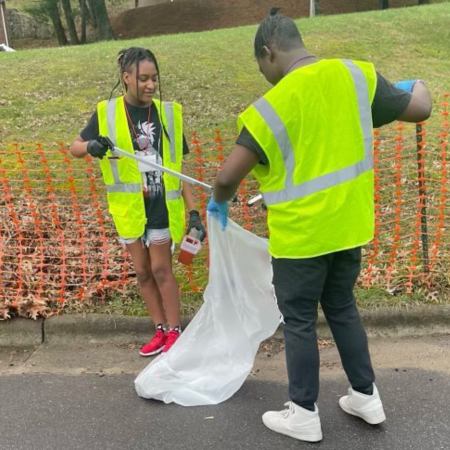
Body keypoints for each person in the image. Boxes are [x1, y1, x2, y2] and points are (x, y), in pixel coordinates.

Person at [207, 9, 432, 443]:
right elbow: (420, 108)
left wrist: (219, 203)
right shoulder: (356, 77)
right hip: (348, 229)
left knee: (299, 322)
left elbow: (225, 176)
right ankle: (366, 397)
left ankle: (304, 412)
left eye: (261, 66)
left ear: (268, 52)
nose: (264, 75)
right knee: (343, 308)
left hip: (301, 240)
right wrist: (413, 84)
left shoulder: (271, 107)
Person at [71, 47, 206, 357]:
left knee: (161, 269)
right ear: (126, 78)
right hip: (131, 209)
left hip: (161, 204)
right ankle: (159, 329)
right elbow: (74, 147)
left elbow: (177, 169)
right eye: (143, 78)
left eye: (154, 78)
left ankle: (175, 331)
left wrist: (194, 211)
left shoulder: (168, 113)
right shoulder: (107, 113)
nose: (150, 85)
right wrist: (91, 145)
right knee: (143, 272)